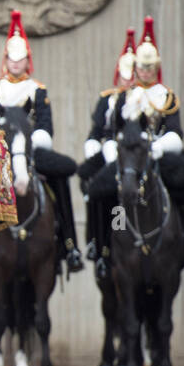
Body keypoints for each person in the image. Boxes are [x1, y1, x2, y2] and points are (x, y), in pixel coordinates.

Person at [0, 10, 83, 279]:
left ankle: (70, 244)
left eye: (21, 60)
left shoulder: (37, 90)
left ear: (28, 60)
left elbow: (45, 127)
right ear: (5, 60)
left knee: (60, 177)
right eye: (12, 60)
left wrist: (29, 144)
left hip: (30, 152)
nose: (16, 65)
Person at [87, 15, 184, 274]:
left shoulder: (167, 95)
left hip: (157, 153)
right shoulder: (123, 97)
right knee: (100, 189)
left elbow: (175, 131)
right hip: (130, 156)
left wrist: (160, 147)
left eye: (150, 68)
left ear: (157, 68)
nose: (146, 73)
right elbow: (111, 130)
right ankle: (102, 248)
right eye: (142, 68)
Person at [80, 27, 136, 277]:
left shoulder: (155, 98)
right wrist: (95, 149)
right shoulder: (107, 100)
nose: (129, 80)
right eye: (125, 75)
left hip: (139, 154)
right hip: (109, 154)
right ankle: (97, 241)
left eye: (134, 74)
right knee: (90, 183)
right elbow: (97, 132)